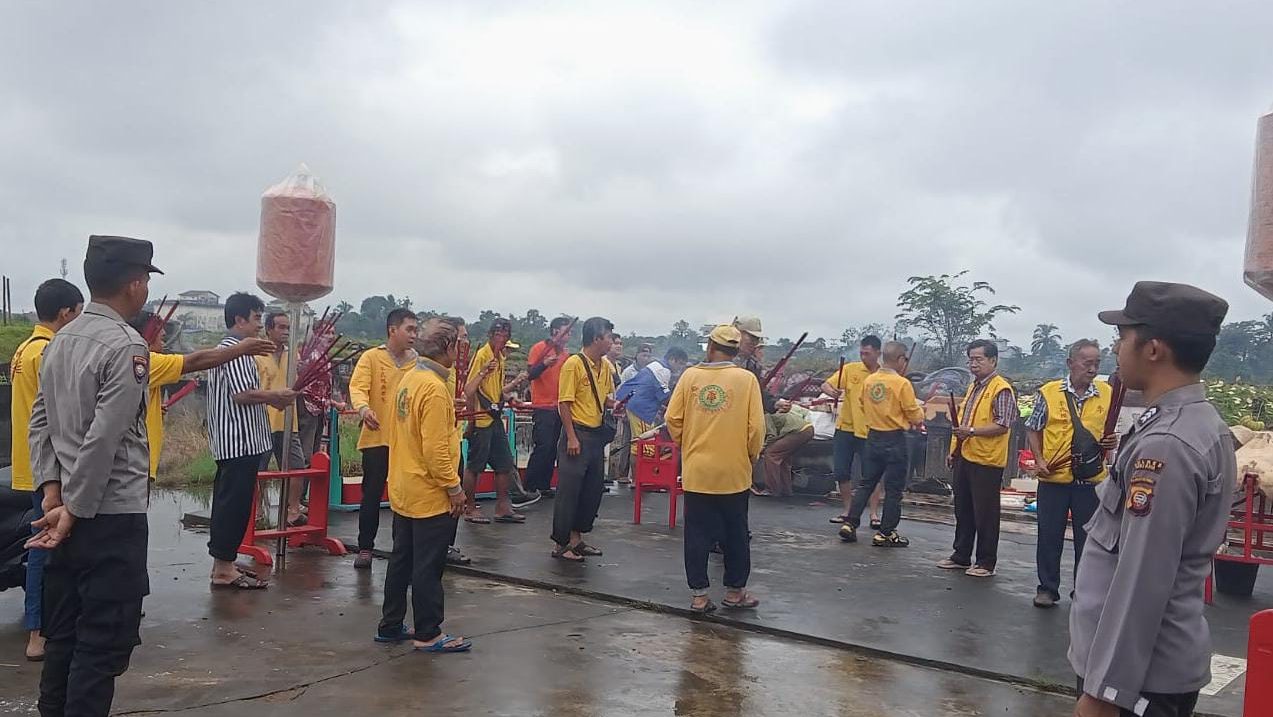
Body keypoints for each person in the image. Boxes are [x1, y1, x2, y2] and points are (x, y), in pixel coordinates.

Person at [1069, 282, 1232, 717]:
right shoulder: (1191, 423)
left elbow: (1142, 577)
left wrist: (1104, 694)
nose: (1116, 349)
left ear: (1153, 349)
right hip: (1141, 672)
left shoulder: (1168, 444)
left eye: (1123, 337)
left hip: (1137, 681)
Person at [25, 236, 157, 715]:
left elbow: (39, 420)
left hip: (64, 510)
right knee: (102, 644)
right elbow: (104, 438)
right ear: (136, 284)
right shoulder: (126, 345)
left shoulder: (62, 339)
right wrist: (74, 510)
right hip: (109, 516)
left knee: (63, 633)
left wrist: (53, 493)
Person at [376, 318, 471, 653]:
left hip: (404, 485)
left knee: (401, 559)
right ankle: (428, 632)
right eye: (458, 344)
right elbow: (435, 449)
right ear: (448, 347)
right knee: (428, 565)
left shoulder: (410, 377)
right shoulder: (433, 387)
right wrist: (454, 487)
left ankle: (390, 624)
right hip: (428, 491)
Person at [666, 325, 764, 613]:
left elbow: (673, 419)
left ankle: (699, 596)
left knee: (696, 534)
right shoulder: (746, 380)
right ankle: (735, 592)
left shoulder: (690, 376)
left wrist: (690, 444)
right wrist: (750, 456)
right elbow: (756, 428)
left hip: (698, 472)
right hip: (734, 473)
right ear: (735, 350)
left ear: (710, 347)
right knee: (736, 533)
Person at [9, 278, 82, 662]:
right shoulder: (50, 351)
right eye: (78, 313)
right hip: (46, 468)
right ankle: (37, 631)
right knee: (44, 548)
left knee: (45, 545)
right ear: (66, 313)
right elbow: (56, 415)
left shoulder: (25, 348)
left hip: (29, 462)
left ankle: (45, 621)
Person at [205, 292, 297, 589]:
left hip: (243, 441)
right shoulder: (233, 350)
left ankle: (226, 562)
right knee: (232, 506)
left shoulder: (239, 351)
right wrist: (275, 396)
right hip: (238, 442)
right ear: (239, 319)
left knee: (235, 504)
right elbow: (242, 394)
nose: (259, 325)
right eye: (257, 318)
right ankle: (222, 568)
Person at [125, 311, 273, 481]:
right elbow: (193, 362)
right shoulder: (147, 361)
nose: (164, 334)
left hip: (140, 463)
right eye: (159, 329)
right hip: (137, 465)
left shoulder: (141, 362)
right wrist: (240, 349)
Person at [1023, 340, 1115, 609]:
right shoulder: (1049, 392)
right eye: (1087, 363)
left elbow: (1109, 433)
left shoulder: (1108, 393)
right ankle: (1047, 589)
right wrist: (1039, 460)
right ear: (1070, 363)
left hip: (1090, 480)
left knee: (1087, 540)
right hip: (1055, 478)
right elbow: (1033, 427)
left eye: (1097, 363)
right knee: (1049, 535)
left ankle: (1083, 591)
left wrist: (1110, 443)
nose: (1093, 368)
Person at [937, 340, 1018, 578]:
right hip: (966, 454)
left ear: (993, 361)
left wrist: (971, 432)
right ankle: (961, 555)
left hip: (987, 459)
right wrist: (953, 450)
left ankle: (985, 561)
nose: (973, 364)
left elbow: (1003, 424)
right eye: (971, 359)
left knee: (985, 514)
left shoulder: (1000, 388)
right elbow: (963, 421)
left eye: (978, 359)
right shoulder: (975, 386)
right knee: (963, 509)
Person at [348, 308, 419, 569]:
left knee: (405, 495)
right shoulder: (372, 357)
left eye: (415, 330)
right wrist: (364, 409)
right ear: (393, 330)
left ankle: (403, 549)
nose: (414, 335)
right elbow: (357, 387)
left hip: (407, 441)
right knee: (372, 494)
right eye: (409, 329)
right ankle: (365, 547)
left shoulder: (417, 362)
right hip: (377, 437)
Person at [838, 341, 923, 547]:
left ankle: (850, 523)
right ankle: (885, 533)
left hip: (873, 437)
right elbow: (914, 414)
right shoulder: (902, 384)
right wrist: (919, 415)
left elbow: (862, 404)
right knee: (894, 489)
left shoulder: (870, 381)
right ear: (901, 359)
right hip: (895, 439)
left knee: (867, 482)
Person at [551, 317, 617, 562]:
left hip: (595, 435)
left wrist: (615, 404)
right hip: (577, 432)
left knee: (591, 490)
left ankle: (576, 539)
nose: (611, 342)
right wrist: (570, 437)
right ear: (596, 338)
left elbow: (604, 398)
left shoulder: (605, 367)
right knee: (569, 491)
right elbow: (564, 403)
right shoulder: (573, 365)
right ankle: (561, 542)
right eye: (608, 337)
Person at [462, 318, 533, 523]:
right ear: (491, 335)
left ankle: (503, 506)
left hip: (494, 419)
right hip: (481, 418)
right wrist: (473, 421)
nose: (502, 339)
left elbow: (495, 390)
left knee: (504, 463)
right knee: (475, 465)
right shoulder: (483, 355)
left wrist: (508, 397)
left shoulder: (500, 358)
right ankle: (469, 507)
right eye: (498, 335)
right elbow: (470, 389)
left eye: (505, 336)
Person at [822, 335, 883, 526]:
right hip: (846, 427)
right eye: (862, 353)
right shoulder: (850, 369)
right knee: (841, 472)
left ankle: (874, 514)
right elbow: (826, 384)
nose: (864, 356)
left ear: (878, 353)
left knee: (872, 474)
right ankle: (847, 511)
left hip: (871, 430)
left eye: (868, 353)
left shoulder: (883, 376)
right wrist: (831, 391)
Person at [255, 312, 306, 525]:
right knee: (260, 471)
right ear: (268, 329)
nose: (285, 332)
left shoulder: (293, 354)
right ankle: (257, 512)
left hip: (288, 420)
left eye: (288, 328)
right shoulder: (256, 354)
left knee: (297, 466)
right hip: (263, 420)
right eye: (281, 327)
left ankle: (293, 508)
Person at [524, 316, 574, 497]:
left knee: (553, 447)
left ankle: (544, 484)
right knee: (543, 446)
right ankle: (529, 485)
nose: (568, 336)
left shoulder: (565, 354)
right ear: (555, 332)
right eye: (566, 332)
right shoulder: (539, 349)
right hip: (543, 405)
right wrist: (544, 364)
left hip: (559, 406)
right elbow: (530, 374)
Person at [616, 347, 690, 443]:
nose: (681, 367)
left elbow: (655, 392)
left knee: (639, 442)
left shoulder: (656, 365)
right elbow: (665, 398)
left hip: (634, 403)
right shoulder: (663, 370)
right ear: (672, 359)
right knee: (643, 443)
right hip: (641, 409)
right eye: (680, 363)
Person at [733, 316, 790, 415]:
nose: (754, 342)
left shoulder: (752, 365)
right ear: (737, 334)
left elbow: (758, 392)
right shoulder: (720, 359)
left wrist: (775, 404)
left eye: (757, 338)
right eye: (751, 337)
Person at [759, 405, 814, 497]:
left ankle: (772, 489)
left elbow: (771, 436)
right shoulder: (773, 415)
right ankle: (786, 489)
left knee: (771, 454)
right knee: (784, 457)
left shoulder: (765, 417)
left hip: (798, 431)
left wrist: (762, 448)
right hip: (807, 429)